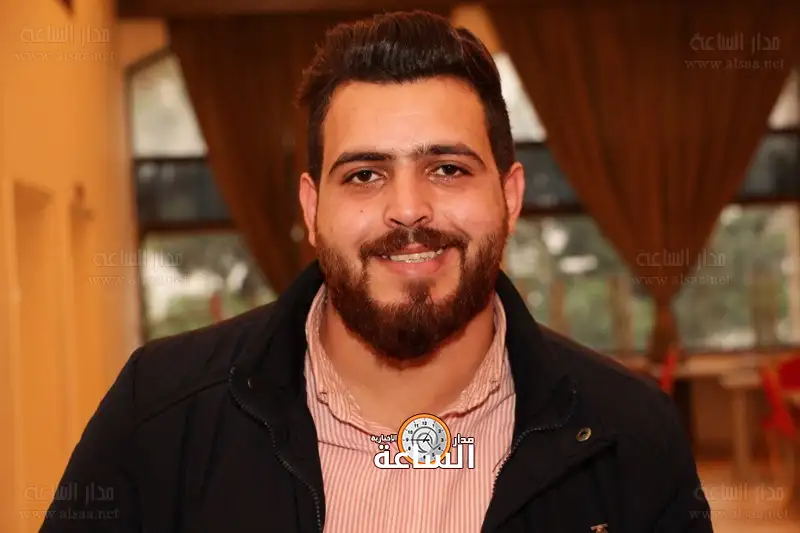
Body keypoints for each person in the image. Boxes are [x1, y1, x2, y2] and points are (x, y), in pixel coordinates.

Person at [42, 10, 713, 533]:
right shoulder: (159, 413)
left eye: (447, 168)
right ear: (312, 208)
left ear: (510, 197)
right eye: (365, 175)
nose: (409, 209)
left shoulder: (631, 438)